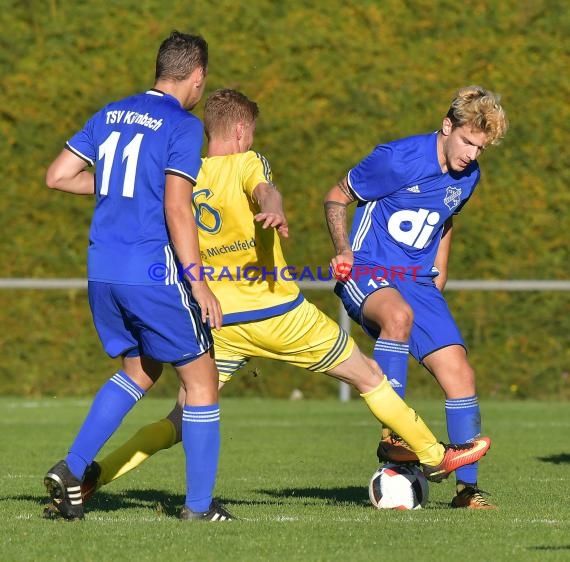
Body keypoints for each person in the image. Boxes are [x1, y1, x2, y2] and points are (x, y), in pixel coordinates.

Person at [78, 88, 491, 505]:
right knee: (369, 376)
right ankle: (434, 455)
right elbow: (265, 191)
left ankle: (97, 472)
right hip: (279, 314)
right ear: (242, 130)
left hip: (221, 320)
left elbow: (173, 226)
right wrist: (274, 206)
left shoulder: (187, 179)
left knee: (182, 417)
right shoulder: (249, 162)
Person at [42, 31, 232, 522]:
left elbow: (58, 175)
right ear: (197, 76)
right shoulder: (183, 126)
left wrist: (119, 188)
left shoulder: (110, 114)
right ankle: (198, 509)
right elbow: (177, 207)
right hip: (151, 271)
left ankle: (72, 469)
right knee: (202, 379)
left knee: (139, 370)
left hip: (102, 269)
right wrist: (199, 283)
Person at [323, 85, 508, 509]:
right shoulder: (396, 158)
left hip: (418, 283)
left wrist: (439, 274)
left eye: (481, 148)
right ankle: (395, 436)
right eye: (467, 142)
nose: (472, 155)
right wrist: (342, 249)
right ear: (447, 127)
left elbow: (446, 220)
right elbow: (336, 197)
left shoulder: (470, 175)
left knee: (460, 373)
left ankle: (467, 491)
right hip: (369, 269)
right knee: (398, 316)